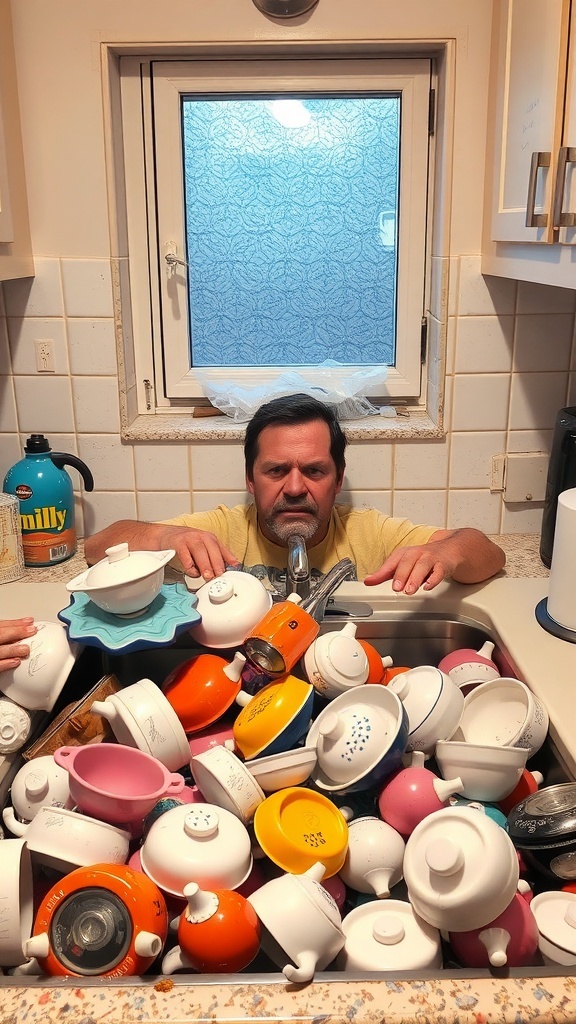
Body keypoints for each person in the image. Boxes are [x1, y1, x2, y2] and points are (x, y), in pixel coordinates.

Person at [84, 394, 505, 595]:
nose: (295, 487)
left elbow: (489, 553)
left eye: (315, 470)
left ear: (338, 480)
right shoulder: (224, 529)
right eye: (276, 470)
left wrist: (446, 554)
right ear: (251, 480)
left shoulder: (369, 532)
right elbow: (98, 546)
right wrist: (164, 539)